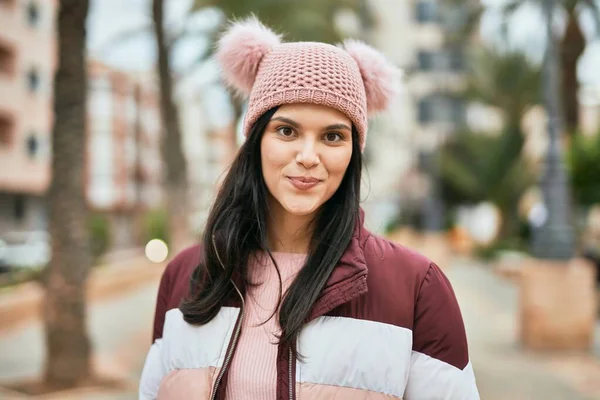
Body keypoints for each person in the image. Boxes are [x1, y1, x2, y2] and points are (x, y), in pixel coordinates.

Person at [139, 17, 479, 400]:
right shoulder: (186, 275)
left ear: (353, 152)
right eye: (287, 131)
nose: (307, 156)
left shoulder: (417, 286)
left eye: (333, 136)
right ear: (256, 141)